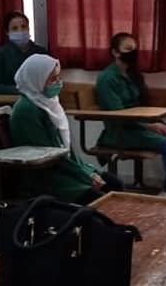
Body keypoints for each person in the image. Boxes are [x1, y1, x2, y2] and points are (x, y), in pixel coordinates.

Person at [10, 54, 123, 203]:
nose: (58, 82)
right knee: (97, 197)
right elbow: (47, 156)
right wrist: (85, 176)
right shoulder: (26, 110)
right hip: (46, 176)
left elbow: (65, 149)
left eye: (58, 77)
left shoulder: (49, 103)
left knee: (113, 183)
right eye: (52, 79)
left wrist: (87, 171)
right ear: (36, 80)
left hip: (63, 168)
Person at [95, 33, 166, 197]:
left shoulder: (132, 74)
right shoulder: (107, 79)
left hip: (140, 125)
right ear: (115, 52)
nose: (132, 53)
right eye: (128, 49)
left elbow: (141, 105)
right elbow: (118, 115)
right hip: (121, 131)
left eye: (134, 49)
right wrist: (150, 126)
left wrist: (153, 122)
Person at [0, 10, 48, 94]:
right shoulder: (2, 54)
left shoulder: (41, 52)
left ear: (28, 28)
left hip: (37, 98)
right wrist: (19, 90)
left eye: (23, 26)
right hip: (10, 99)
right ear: (7, 32)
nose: (20, 31)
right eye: (14, 28)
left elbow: (50, 82)